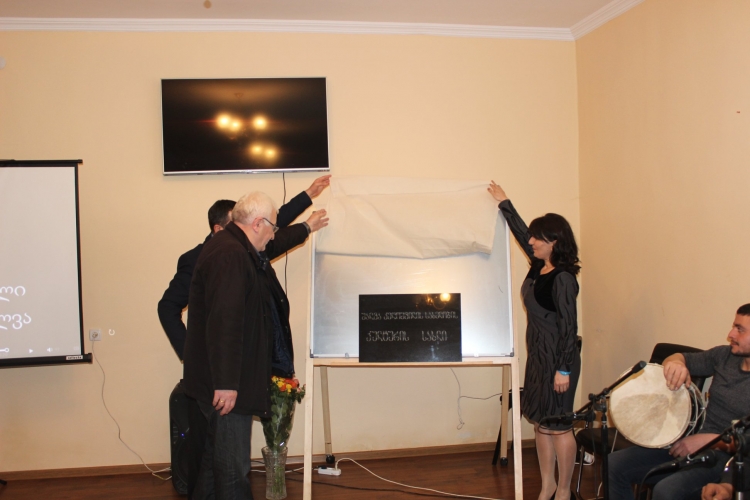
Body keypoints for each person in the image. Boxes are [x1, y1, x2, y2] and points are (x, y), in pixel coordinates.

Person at [183, 191, 328, 499]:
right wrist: (226, 384)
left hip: (221, 381)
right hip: (225, 386)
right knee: (233, 470)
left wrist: (307, 225)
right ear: (258, 224)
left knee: (213, 462)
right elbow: (225, 322)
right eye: (272, 228)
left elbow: (276, 242)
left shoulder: (237, 246)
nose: (273, 235)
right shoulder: (231, 255)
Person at [158, 174, 330, 360]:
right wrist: (191, 355)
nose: (245, 229)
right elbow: (167, 306)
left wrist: (308, 195)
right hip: (219, 359)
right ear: (218, 229)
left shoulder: (251, 247)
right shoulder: (197, 258)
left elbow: (272, 224)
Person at [488, 181, 581, 500]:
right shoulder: (540, 265)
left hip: (559, 362)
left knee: (559, 426)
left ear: (553, 242)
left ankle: (564, 490)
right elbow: (521, 233)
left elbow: (569, 328)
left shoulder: (563, 279)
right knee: (541, 424)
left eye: (538, 238)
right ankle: (547, 486)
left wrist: (564, 370)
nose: (531, 241)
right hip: (539, 358)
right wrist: (505, 203)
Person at [609, 304, 750, 500]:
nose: (731, 334)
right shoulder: (724, 356)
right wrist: (675, 364)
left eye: (740, 329)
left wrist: (710, 441)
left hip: (728, 458)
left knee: (666, 491)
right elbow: (678, 357)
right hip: (691, 442)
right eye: (733, 326)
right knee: (614, 465)